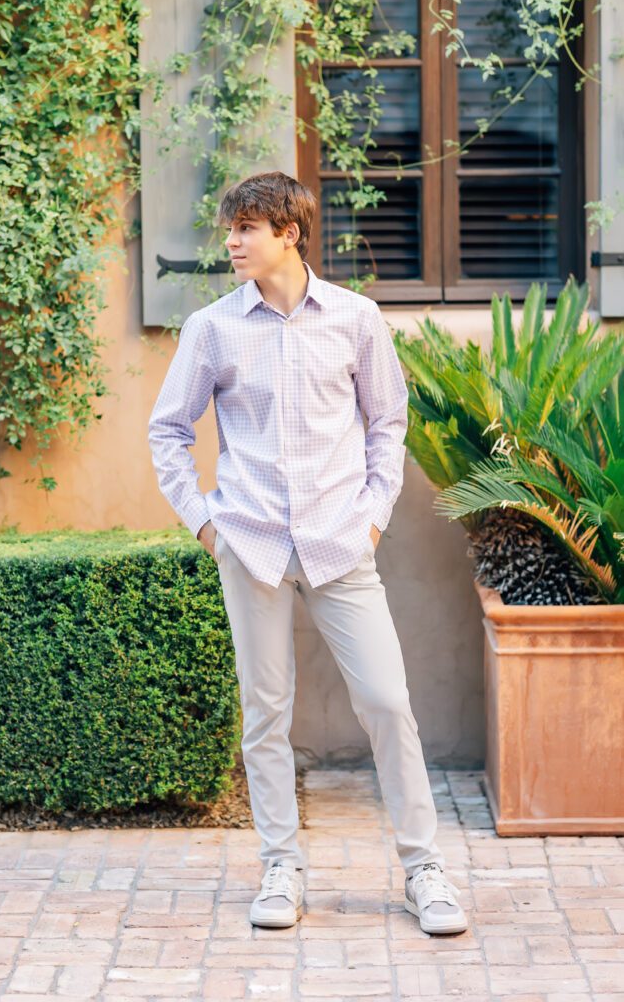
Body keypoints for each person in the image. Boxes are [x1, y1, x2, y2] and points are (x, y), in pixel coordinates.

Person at [148, 171, 467, 935]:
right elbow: (167, 432)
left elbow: (387, 424)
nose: (230, 242)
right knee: (265, 714)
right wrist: (204, 523)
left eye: (244, 230)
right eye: (229, 229)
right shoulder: (212, 329)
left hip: (339, 544)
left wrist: (372, 518)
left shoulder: (356, 320)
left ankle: (424, 871)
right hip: (248, 542)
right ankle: (281, 867)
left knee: (387, 703)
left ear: (288, 233)